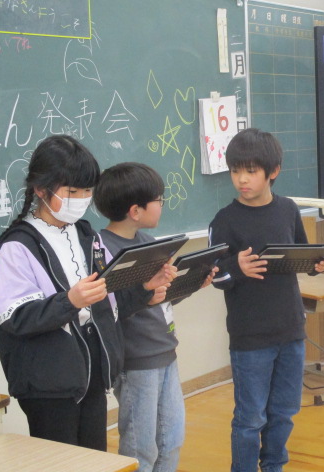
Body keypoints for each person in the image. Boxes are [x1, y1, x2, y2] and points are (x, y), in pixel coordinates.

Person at [0, 135, 173, 451]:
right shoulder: (17, 246)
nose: (82, 199)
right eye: (72, 192)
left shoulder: (87, 235)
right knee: (61, 460)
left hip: (92, 370)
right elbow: (15, 318)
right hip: (48, 382)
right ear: (41, 190)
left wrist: (144, 290)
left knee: (94, 458)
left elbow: (108, 300)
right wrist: (71, 301)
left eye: (87, 191)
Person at [208, 128, 324, 472]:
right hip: (250, 336)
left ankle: (274, 466)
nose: (241, 179)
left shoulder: (288, 209)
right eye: (235, 171)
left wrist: (317, 264)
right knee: (250, 418)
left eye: (250, 171)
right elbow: (214, 276)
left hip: (290, 329)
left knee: (284, 411)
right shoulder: (224, 220)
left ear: (273, 171)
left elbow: (301, 255)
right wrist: (237, 267)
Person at [95, 162, 215, 472]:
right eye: (158, 200)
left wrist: (192, 283)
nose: (162, 205)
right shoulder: (101, 249)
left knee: (171, 439)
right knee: (141, 448)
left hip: (164, 351)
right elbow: (110, 308)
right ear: (135, 211)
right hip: (136, 359)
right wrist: (146, 291)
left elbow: (161, 298)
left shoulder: (149, 243)